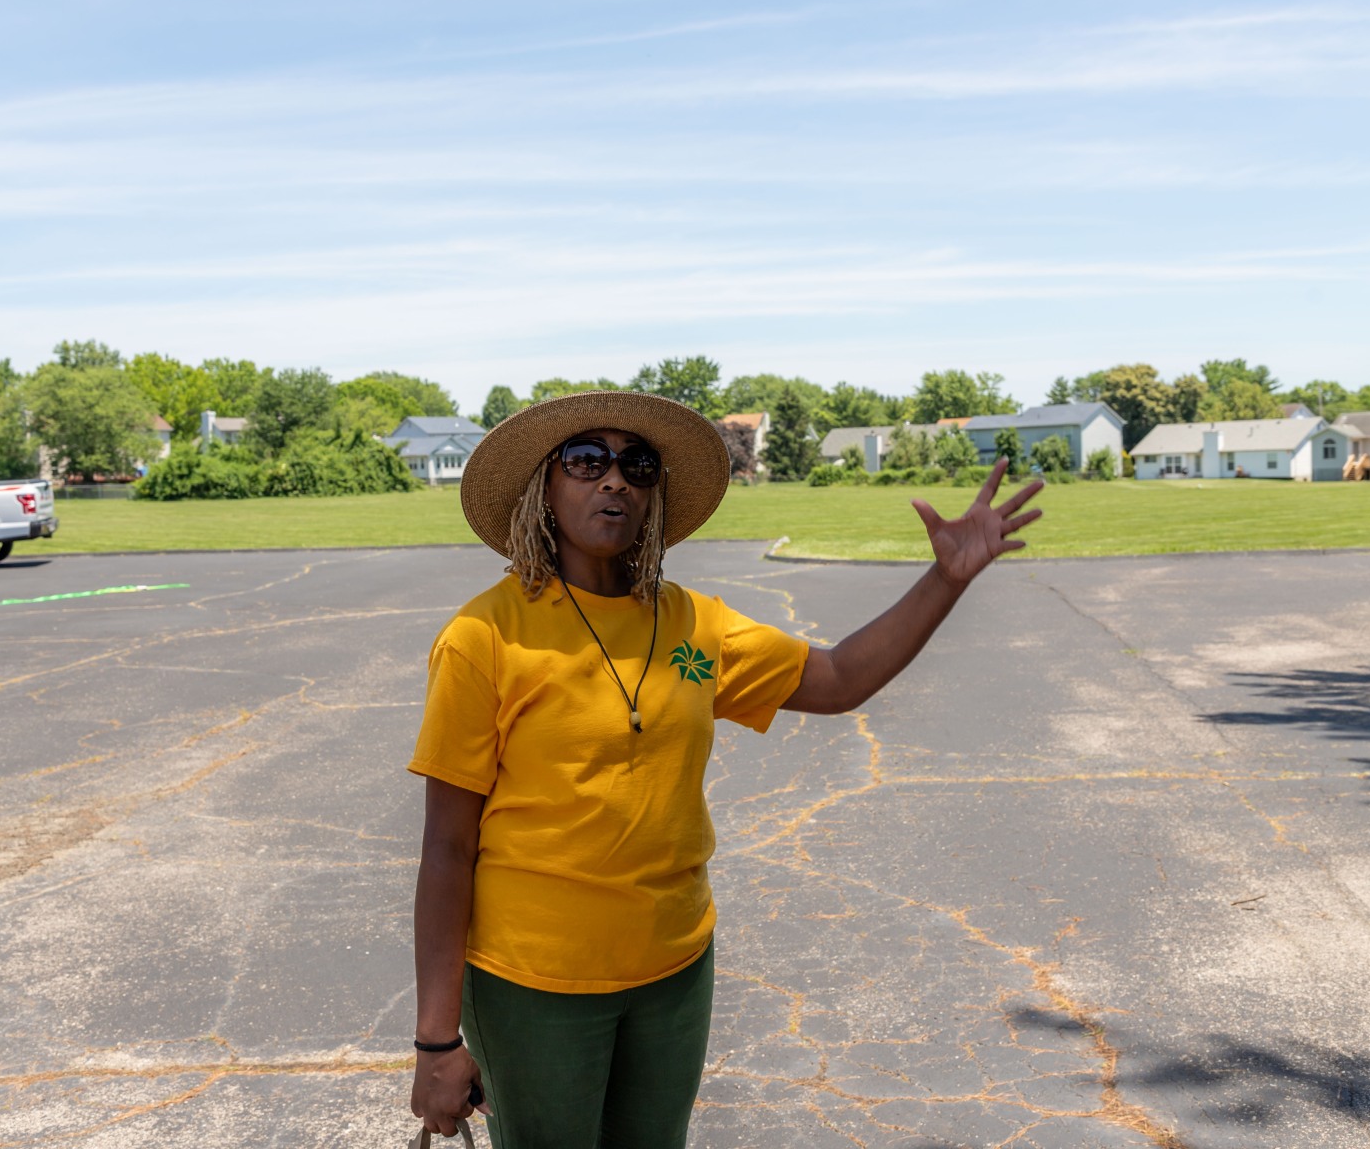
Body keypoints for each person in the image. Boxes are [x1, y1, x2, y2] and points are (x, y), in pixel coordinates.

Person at [408, 391, 1041, 1147]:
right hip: (534, 984)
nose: (615, 480)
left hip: (673, 971)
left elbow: (838, 679)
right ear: (545, 487)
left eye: (638, 466)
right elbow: (447, 848)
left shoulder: (693, 625)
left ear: (653, 495)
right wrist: (436, 1041)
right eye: (586, 460)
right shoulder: (484, 637)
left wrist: (947, 577)